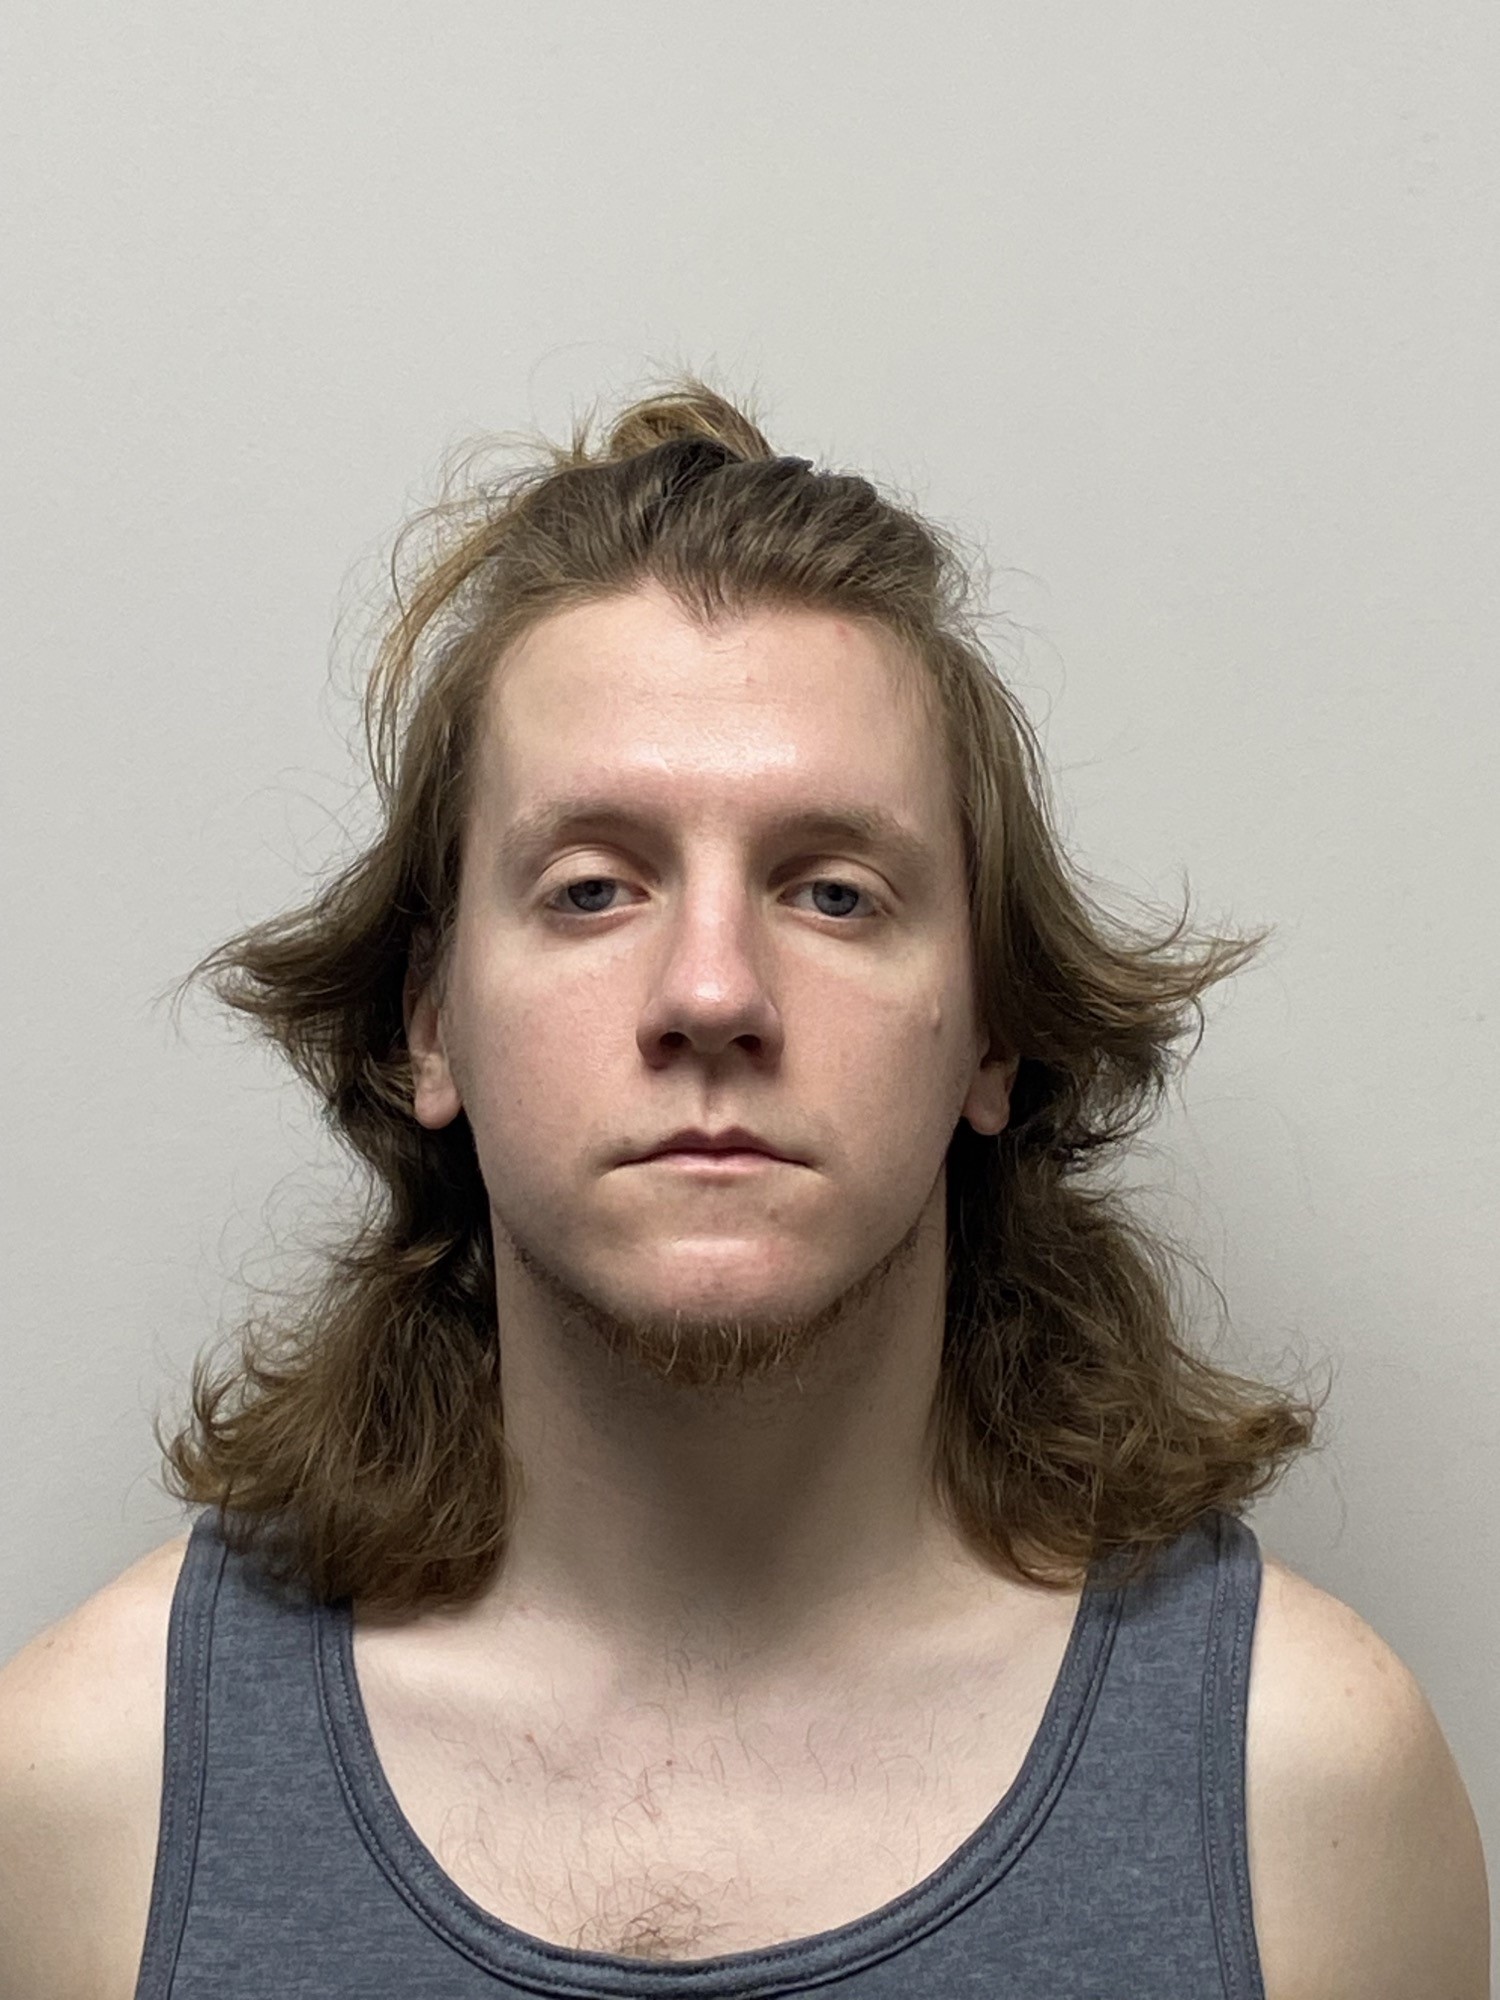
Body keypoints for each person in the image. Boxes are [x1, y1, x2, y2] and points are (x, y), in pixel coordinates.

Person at [0, 377, 1488, 1998]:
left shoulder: (1301, 1794)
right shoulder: (96, 1786)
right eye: (592, 888)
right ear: (431, 1023)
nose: (711, 991)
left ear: (992, 1032)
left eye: (834, 893)